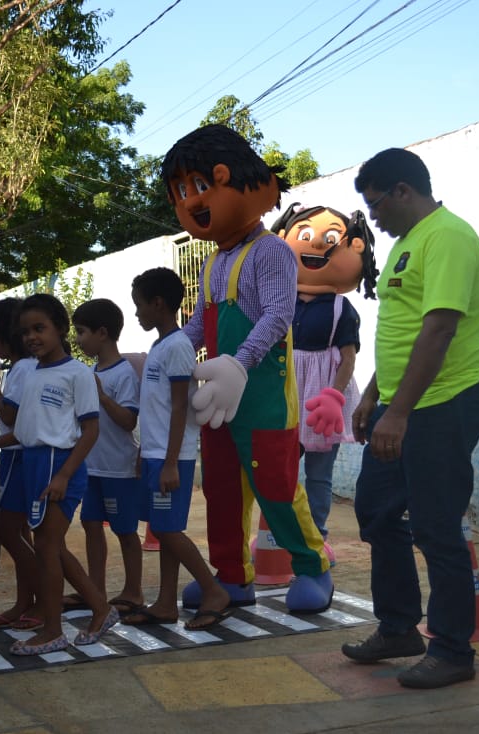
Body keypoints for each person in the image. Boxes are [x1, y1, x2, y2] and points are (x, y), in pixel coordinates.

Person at [331, 148, 479, 689]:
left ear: (403, 190)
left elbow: (440, 329)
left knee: (435, 527)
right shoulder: (406, 246)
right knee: (378, 515)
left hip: (442, 406)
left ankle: (451, 650)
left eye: (374, 204)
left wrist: (397, 413)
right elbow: (401, 335)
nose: (371, 218)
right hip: (400, 407)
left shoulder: (447, 237)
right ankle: (399, 627)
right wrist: (372, 398)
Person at [163, 124, 332, 613]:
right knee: (220, 490)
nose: (190, 201)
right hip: (218, 398)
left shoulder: (272, 251)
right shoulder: (214, 261)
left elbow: (279, 314)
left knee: (277, 487)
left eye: (198, 186)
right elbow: (200, 321)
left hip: (263, 397)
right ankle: (232, 575)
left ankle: (313, 567)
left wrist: (241, 363)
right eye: (180, 193)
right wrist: (172, 350)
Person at [0, 294, 119, 654]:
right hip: (33, 462)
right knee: (51, 547)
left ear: (60, 329)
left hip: (59, 465)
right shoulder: (31, 371)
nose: (32, 337)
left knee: (47, 547)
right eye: (26, 331)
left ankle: (52, 629)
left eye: (40, 328)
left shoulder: (77, 373)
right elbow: (32, 426)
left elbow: (90, 431)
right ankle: (100, 609)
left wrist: (63, 475)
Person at [121, 269, 232, 628]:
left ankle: (213, 590)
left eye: (140, 305)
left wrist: (170, 462)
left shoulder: (179, 346)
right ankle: (166, 602)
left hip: (174, 458)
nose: (137, 313)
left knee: (167, 529)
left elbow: (180, 406)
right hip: (156, 454)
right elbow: (157, 409)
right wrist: (144, 453)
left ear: (158, 304)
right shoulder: (161, 346)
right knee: (162, 526)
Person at [270, 203, 378, 558]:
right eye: (305, 236)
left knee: (318, 475)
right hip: (285, 393)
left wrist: (334, 395)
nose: (316, 244)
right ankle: (282, 536)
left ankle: (316, 537)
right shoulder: (279, 300)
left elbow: (348, 357)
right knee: (279, 470)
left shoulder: (340, 309)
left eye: (329, 239)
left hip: (322, 398)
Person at [70, 298, 145, 615]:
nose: (78, 339)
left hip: (118, 468)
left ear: (103, 333)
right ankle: (95, 588)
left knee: (126, 530)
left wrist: (100, 395)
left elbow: (128, 420)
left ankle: (134, 591)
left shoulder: (124, 374)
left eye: (82, 332)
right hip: (93, 467)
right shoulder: (89, 372)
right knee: (89, 524)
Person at [0, 298, 42, 630]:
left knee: (8, 531)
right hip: (18, 455)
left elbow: (10, 417)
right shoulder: (25, 367)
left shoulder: (19, 370)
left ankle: (44, 599)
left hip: (19, 456)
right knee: (21, 533)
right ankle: (25, 600)